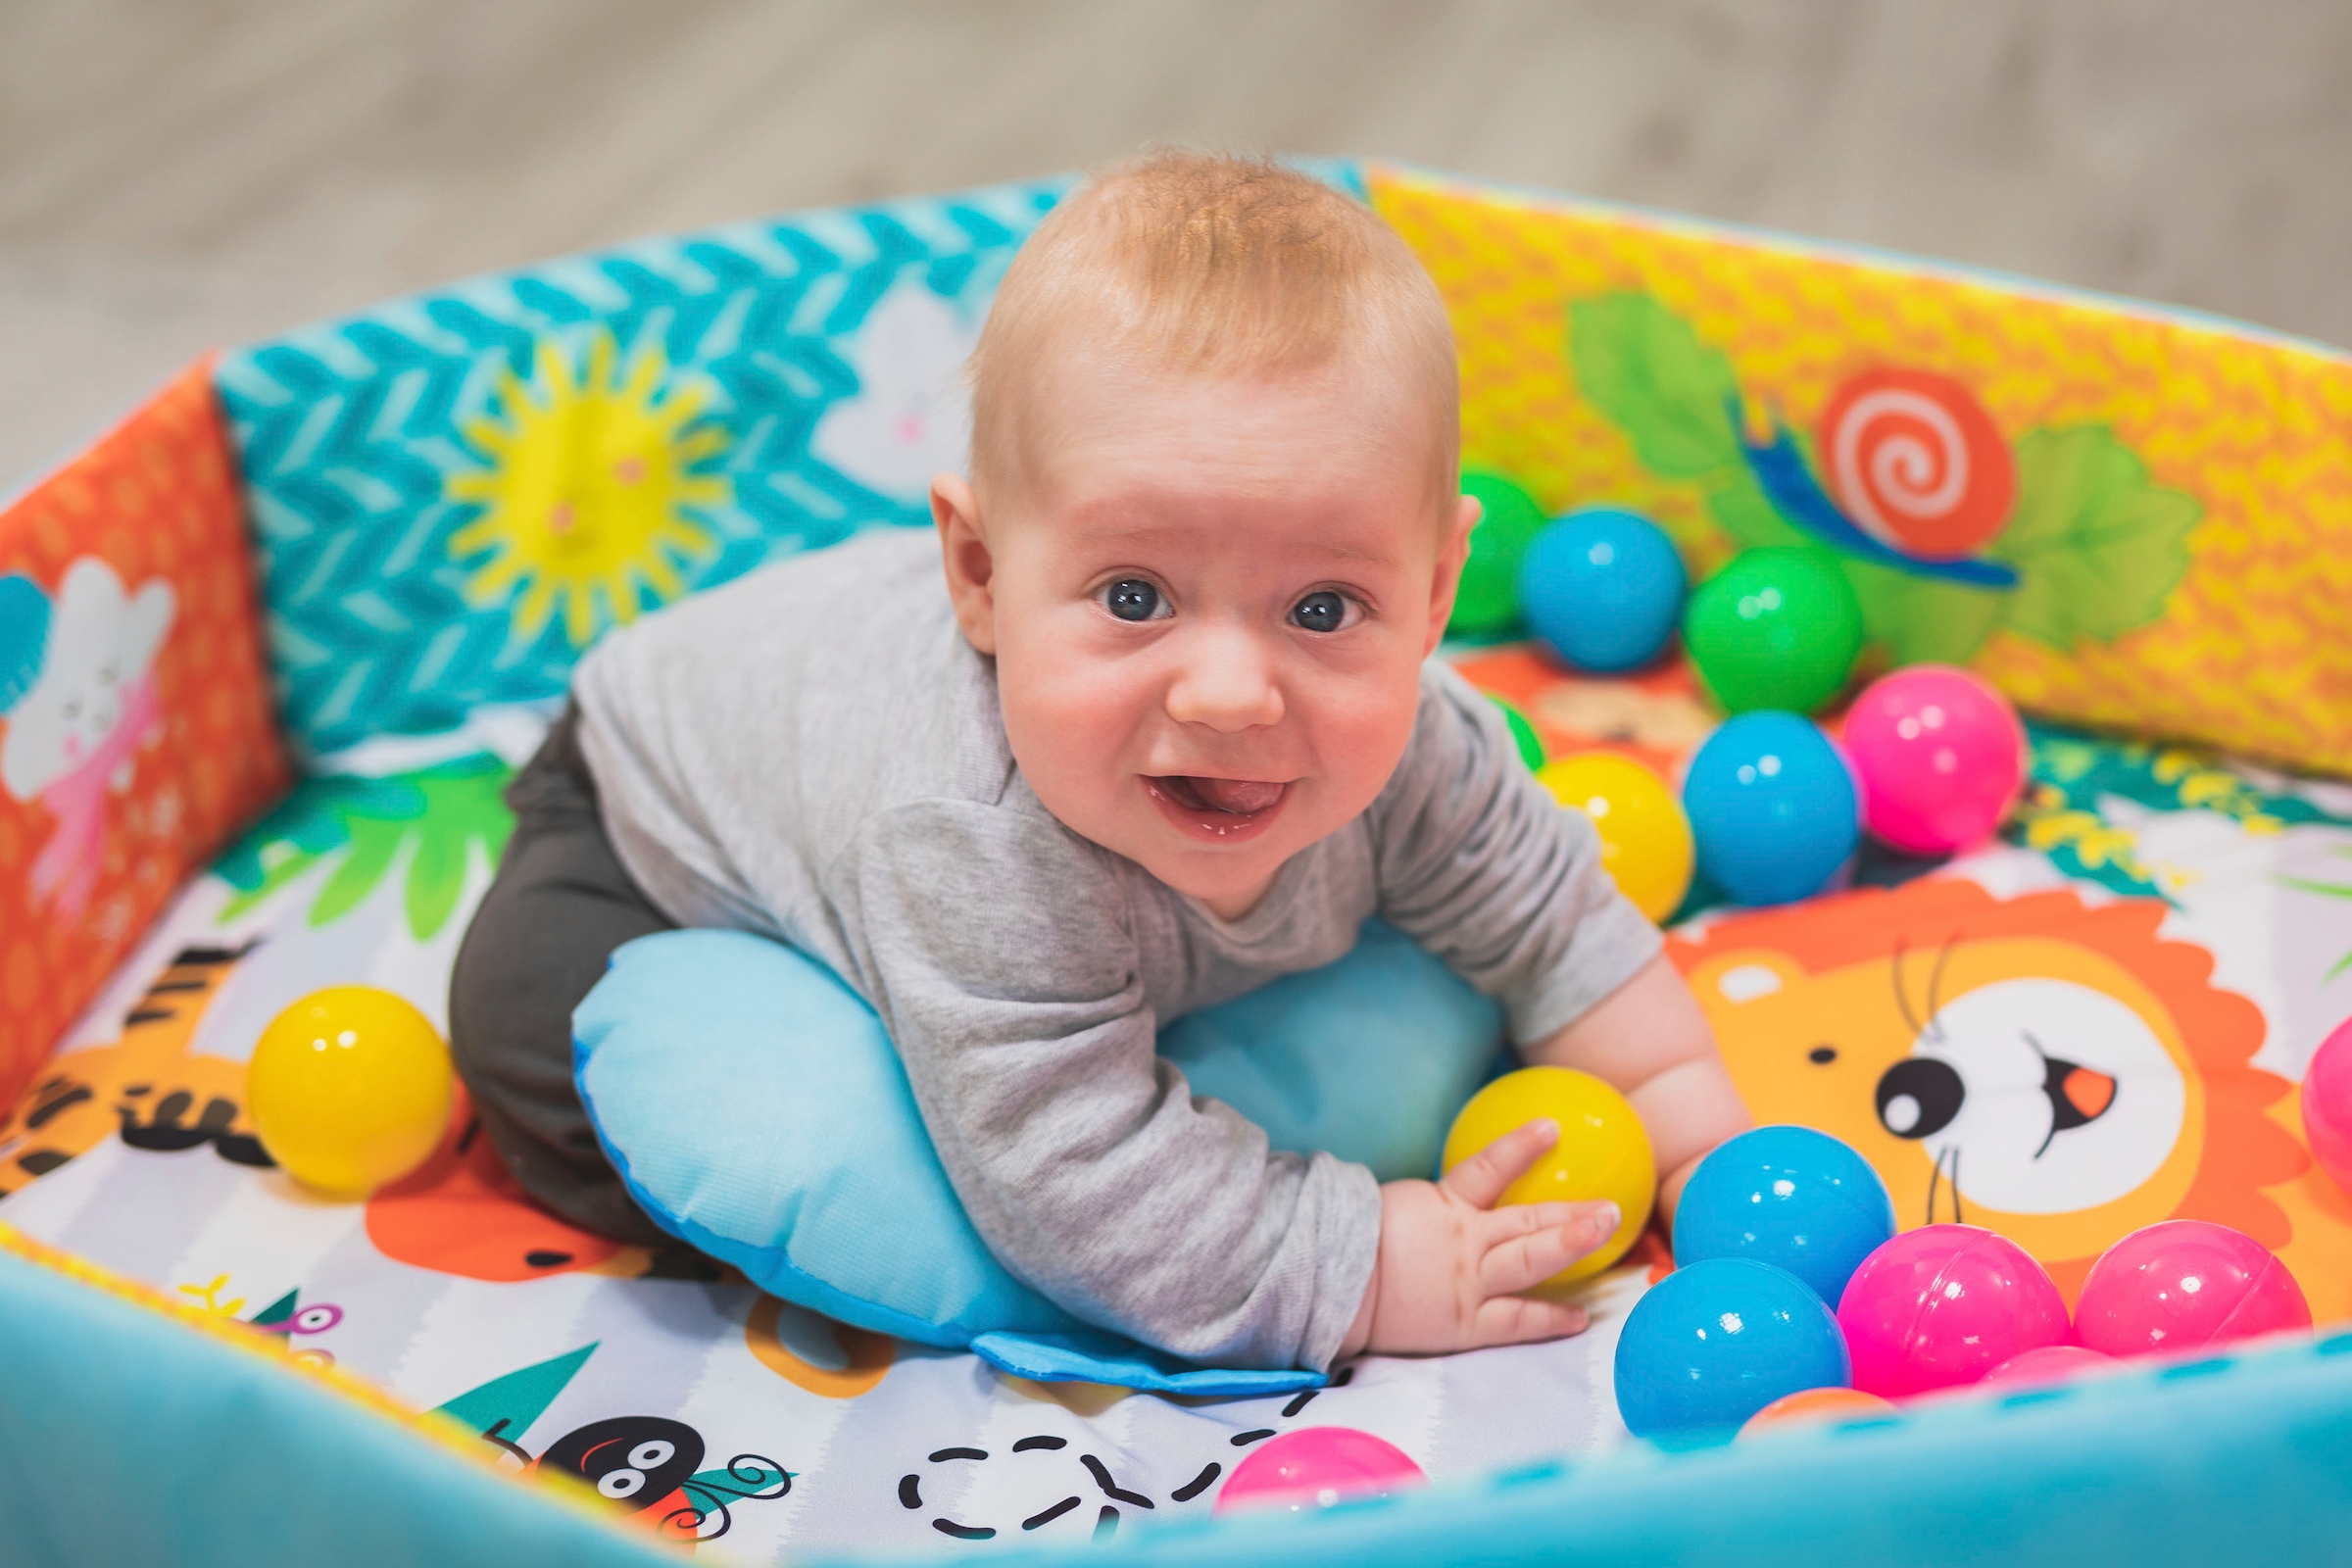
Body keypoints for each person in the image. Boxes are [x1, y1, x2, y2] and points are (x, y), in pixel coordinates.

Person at [450, 150, 1749, 1374]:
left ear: (1436, 593)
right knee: (522, 1043)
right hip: (634, 803)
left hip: (858, 779)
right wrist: (1363, 1272)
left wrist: (1693, 1141)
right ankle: (838, 956)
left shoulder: (1430, 755)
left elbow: (1558, 923)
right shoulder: (974, 838)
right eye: (1134, 596)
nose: (1231, 696)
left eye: (1322, 610)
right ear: (980, 576)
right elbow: (1076, 1166)